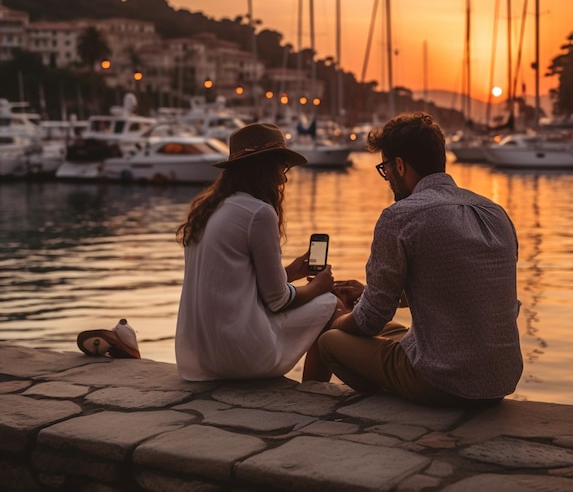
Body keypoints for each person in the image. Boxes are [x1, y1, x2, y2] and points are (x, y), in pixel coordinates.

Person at [319, 112, 523, 407]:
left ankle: (320, 404)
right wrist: (369, 294)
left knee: (330, 341)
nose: (386, 177)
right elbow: (457, 289)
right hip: (499, 381)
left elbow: (370, 320)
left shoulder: (401, 216)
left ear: (399, 166)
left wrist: (336, 318)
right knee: (391, 335)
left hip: (443, 382)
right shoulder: (495, 212)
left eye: (385, 168)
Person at [175, 122, 340, 382]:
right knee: (333, 305)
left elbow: (236, 285)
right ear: (264, 168)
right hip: (241, 356)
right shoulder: (258, 212)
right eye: (282, 168)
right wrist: (320, 286)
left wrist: (291, 272)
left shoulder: (209, 210)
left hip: (202, 359)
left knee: (319, 299)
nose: (284, 178)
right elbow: (278, 301)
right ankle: (313, 392)